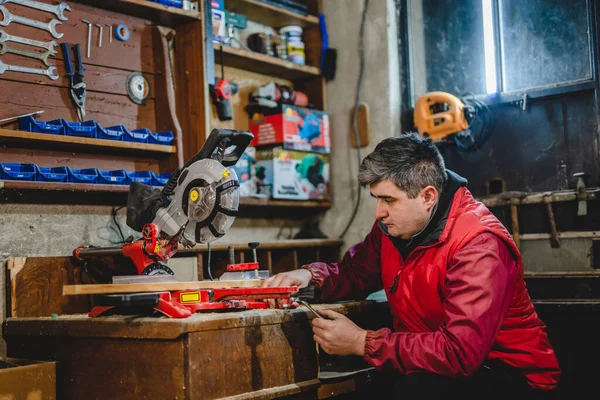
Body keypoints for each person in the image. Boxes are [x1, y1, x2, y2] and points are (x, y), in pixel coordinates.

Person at [263, 133, 560, 399]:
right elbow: (356, 272)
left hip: (508, 375)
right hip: (430, 365)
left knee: (414, 391)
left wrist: (361, 342)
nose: (379, 212)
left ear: (428, 196)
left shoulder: (479, 244)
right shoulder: (392, 229)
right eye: (377, 199)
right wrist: (308, 276)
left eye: (388, 200)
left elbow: (460, 353)